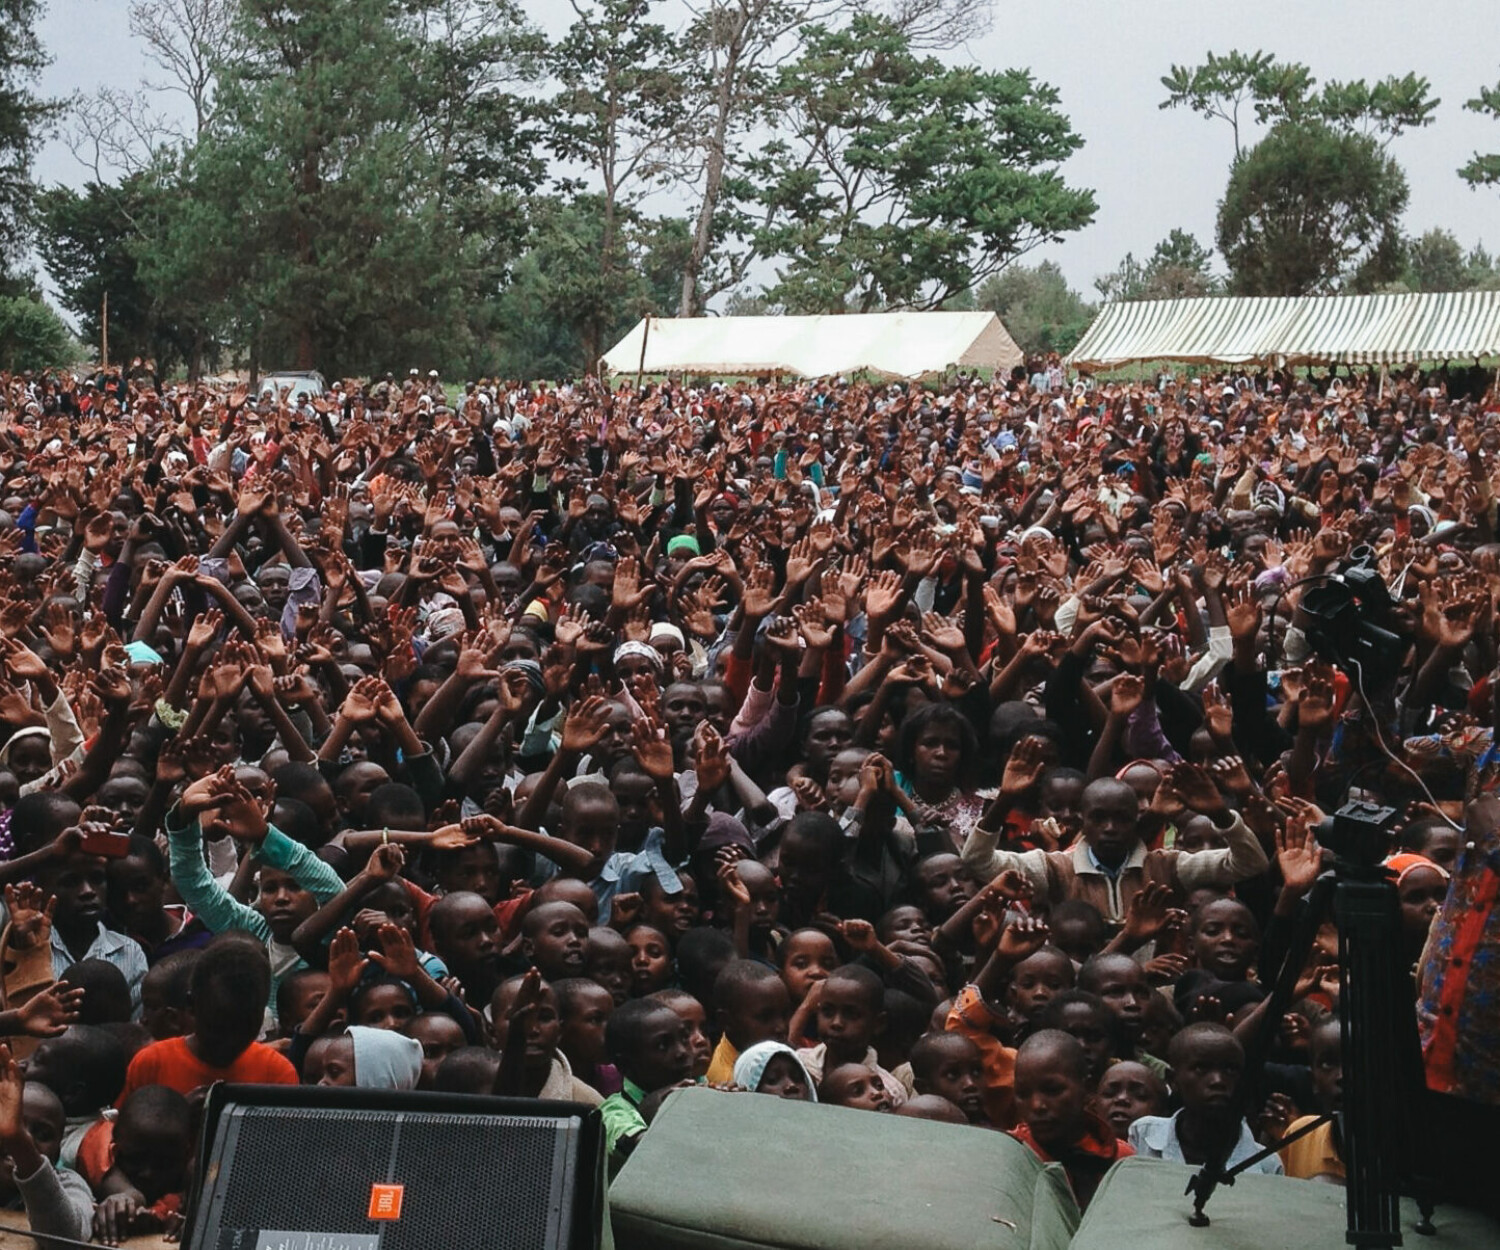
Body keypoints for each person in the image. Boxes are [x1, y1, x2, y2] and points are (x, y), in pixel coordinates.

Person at [117, 939, 297, 1100]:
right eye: (218, 1029)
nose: (230, 1043)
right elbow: (120, 1133)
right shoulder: (151, 1064)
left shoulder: (277, 1074)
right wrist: (179, 1116)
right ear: (191, 1005)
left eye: (244, 1031)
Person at [1010, 1030, 1132, 1210]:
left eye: (1052, 1090)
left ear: (1087, 1088)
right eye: (1023, 1094)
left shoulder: (1121, 1160)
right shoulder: (1010, 1154)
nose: (1036, 1105)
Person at [0, 1043, 92, 1245]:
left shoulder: (70, 1184)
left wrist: (19, 1145)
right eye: (14, 1123)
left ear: (59, 1150)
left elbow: (65, 1240)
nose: (27, 1137)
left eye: (42, 1134)